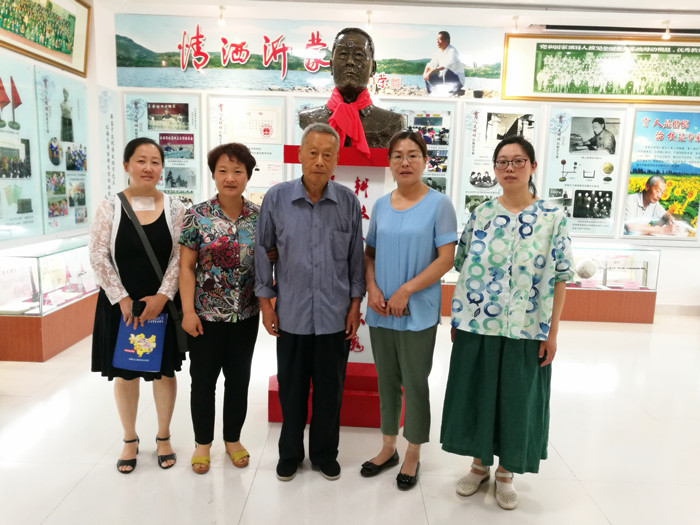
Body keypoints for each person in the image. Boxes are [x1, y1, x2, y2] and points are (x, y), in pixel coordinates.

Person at [441, 136, 573, 510]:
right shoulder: (481, 213)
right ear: (495, 169)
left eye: (518, 161)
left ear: (533, 166)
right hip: (478, 323)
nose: (509, 168)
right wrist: (458, 318)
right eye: (502, 162)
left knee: (517, 399)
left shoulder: (552, 218)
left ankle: (506, 471)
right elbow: (462, 265)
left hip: (527, 326)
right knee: (478, 393)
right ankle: (479, 463)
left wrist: (553, 333)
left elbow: (561, 276)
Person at [255, 122, 365, 482]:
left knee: (330, 392)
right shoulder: (276, 199)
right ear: (300, 155)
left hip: (335, 315)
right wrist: (266, 304)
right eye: (313, 153)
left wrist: (355, 305)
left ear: (336, 160)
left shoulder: (348, 202)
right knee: (292, 391)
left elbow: (355, 258)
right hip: (292, 314)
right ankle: (289, 454)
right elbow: (263, 251)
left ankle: (324, 454)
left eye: (327, 155)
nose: (319, 161)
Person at [360, 131, 457, 490]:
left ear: (425, 161)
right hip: (382, 309)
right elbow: (370, 254)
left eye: (413, 155)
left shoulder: (439, 204)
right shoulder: (381, 205)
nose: (405, 162)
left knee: (415, 382)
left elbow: (446, 258)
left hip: (418, 309)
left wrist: (406, 290)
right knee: (386, 381)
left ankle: (413, 451)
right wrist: (372, 287)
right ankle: (388, 447)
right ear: (389, 163)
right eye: (398, 155)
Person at [89, 137, 185, 474]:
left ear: (162, 169)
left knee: (163, 373)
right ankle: (129, 438)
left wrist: (163, 296)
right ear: (127, 165)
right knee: (126, 373)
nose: (148, 168)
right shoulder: (109, 207)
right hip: (121, 307)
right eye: (141, 161)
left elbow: (180, 257)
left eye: (155, 162)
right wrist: (122, 299)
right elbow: (98, 255)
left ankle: (163, 436)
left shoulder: (175, 207)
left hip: (162, 306)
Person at [178, 143, 260, 475]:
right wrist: (188, 311)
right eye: (223, 171)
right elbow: (186, 267)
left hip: (246, 314)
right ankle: (202, 444)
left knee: (239, 380)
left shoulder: (259, 217)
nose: (230, 178)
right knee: (203, 381)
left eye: (238, 171)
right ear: (213, 174)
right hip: (205, 316)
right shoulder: (196, 215)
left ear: (248, 175)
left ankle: (233, 439)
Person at [298, 27, 406, 150]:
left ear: (373, 68)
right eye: (343, 54)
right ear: (331, 66)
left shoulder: (391, 122)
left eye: (359, 55)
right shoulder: (309, 119)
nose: (350, 62)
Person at [423, 31, 466, 96]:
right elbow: (431, 64)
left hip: (457, 80)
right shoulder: (438, 52)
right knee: (429, 75)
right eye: (437, 40)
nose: (437, 42)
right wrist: (425, 73)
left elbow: (445, 66)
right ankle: (431, 93)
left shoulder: (452, 51)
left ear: (447, 40)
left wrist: (432, 70)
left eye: (440, 39)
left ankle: (453, 90)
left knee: (445, 70)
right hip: (444, 78)